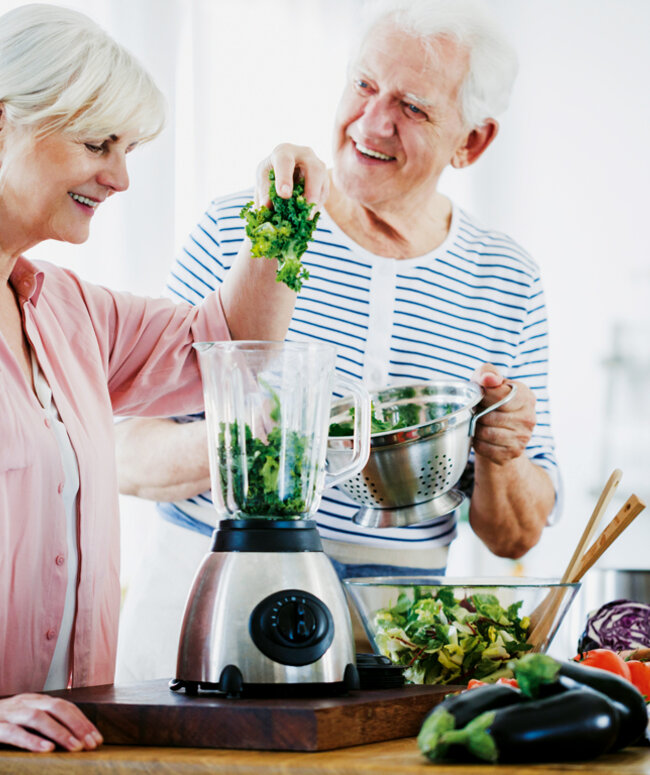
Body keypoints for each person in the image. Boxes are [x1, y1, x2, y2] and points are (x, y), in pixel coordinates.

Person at [115, 0, 560, 682]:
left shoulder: (507, 279)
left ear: (471, 142)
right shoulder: (248, 227)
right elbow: (125, 451)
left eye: (412, 106)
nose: (372, 121)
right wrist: (259, 437)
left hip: (394, 636)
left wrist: (503, 453)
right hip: (206, 614)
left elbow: (518, 535)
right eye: (363, 85)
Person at [0, 4, 296, 753]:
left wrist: (284, 216)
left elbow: (229, 345)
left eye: (127, 149)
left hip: (75, 748)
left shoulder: (69, 310)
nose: (120, 177)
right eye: (97, 143)